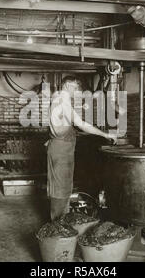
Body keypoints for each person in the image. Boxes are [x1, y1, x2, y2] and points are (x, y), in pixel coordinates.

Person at [47, 76, 118, 221]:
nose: (76, 91)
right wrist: (104, 134)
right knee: (60, 189)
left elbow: (60, 126)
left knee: (63, 187)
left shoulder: (57, 98)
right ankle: (58, 227)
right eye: (75, 87)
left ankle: (61, 223)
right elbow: (81, 124)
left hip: (61, 149)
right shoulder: (62, 100)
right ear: (67, 85)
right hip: (61, 151)